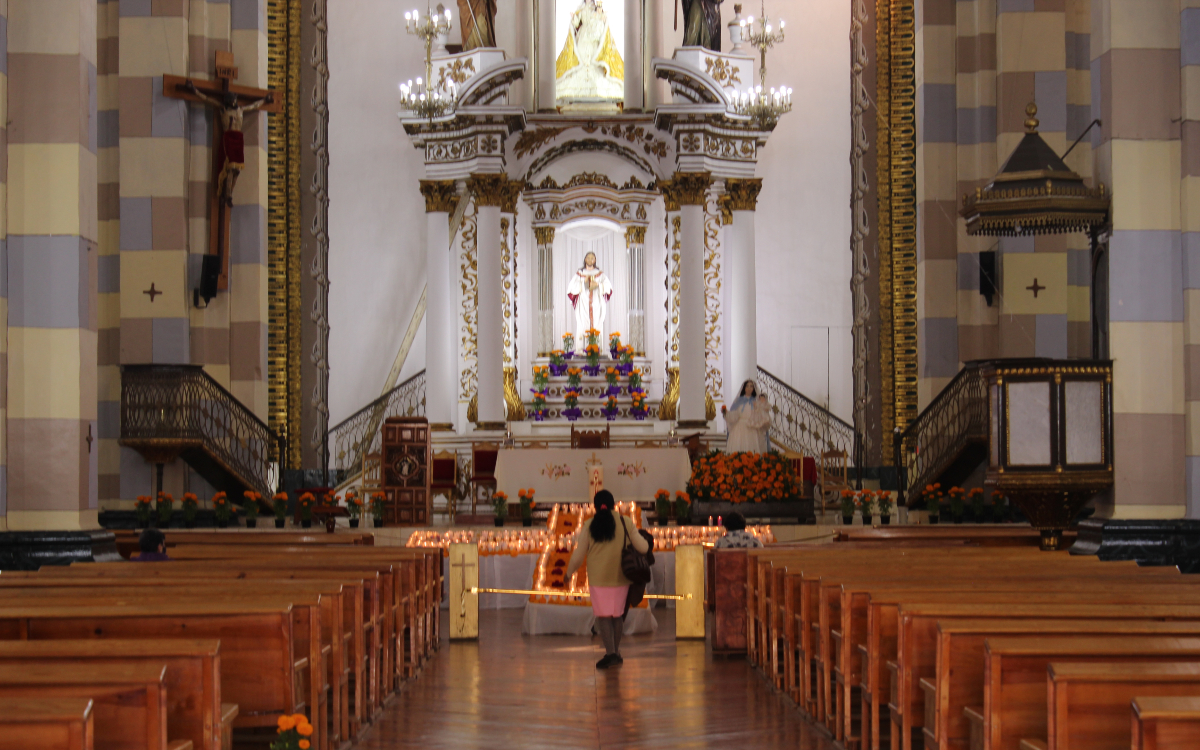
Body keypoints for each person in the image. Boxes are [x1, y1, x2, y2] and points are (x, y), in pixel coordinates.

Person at [565, 490, 649, 669]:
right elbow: (643, 547)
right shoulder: (624, 521)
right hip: (621, 576)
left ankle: (610, 654)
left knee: (603, 617)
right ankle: (616, 652)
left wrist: (568, 573)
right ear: (614, 504)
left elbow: (579, 555)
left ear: (595, 507)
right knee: (617, 616)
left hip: (598, 579)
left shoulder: (589, 525)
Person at [566, 251, 613, 351]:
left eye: (592, 258)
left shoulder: (600, 274)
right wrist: (583, 283)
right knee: (582, 325)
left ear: (595, 260)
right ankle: (581, 349)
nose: (590, 260)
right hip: (583, 305)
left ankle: (596, 349)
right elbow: (570, 289)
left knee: (597, 324)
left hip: (597, 304)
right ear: (585, 260)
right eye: (588, 258)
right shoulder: (579, 274)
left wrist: (598, 285)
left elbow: (609, 288)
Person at [723, 379, 771, 453]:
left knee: (752, 447)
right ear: (744, 388)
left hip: (751, 426)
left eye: (751, 386)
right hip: (739, 427)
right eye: (747, 386)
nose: (749, 388)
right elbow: (734, 414)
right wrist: (726, 413)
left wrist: (759, 406)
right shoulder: (738, 401)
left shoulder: (757, 401)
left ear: (754, 388)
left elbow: (761, 414)